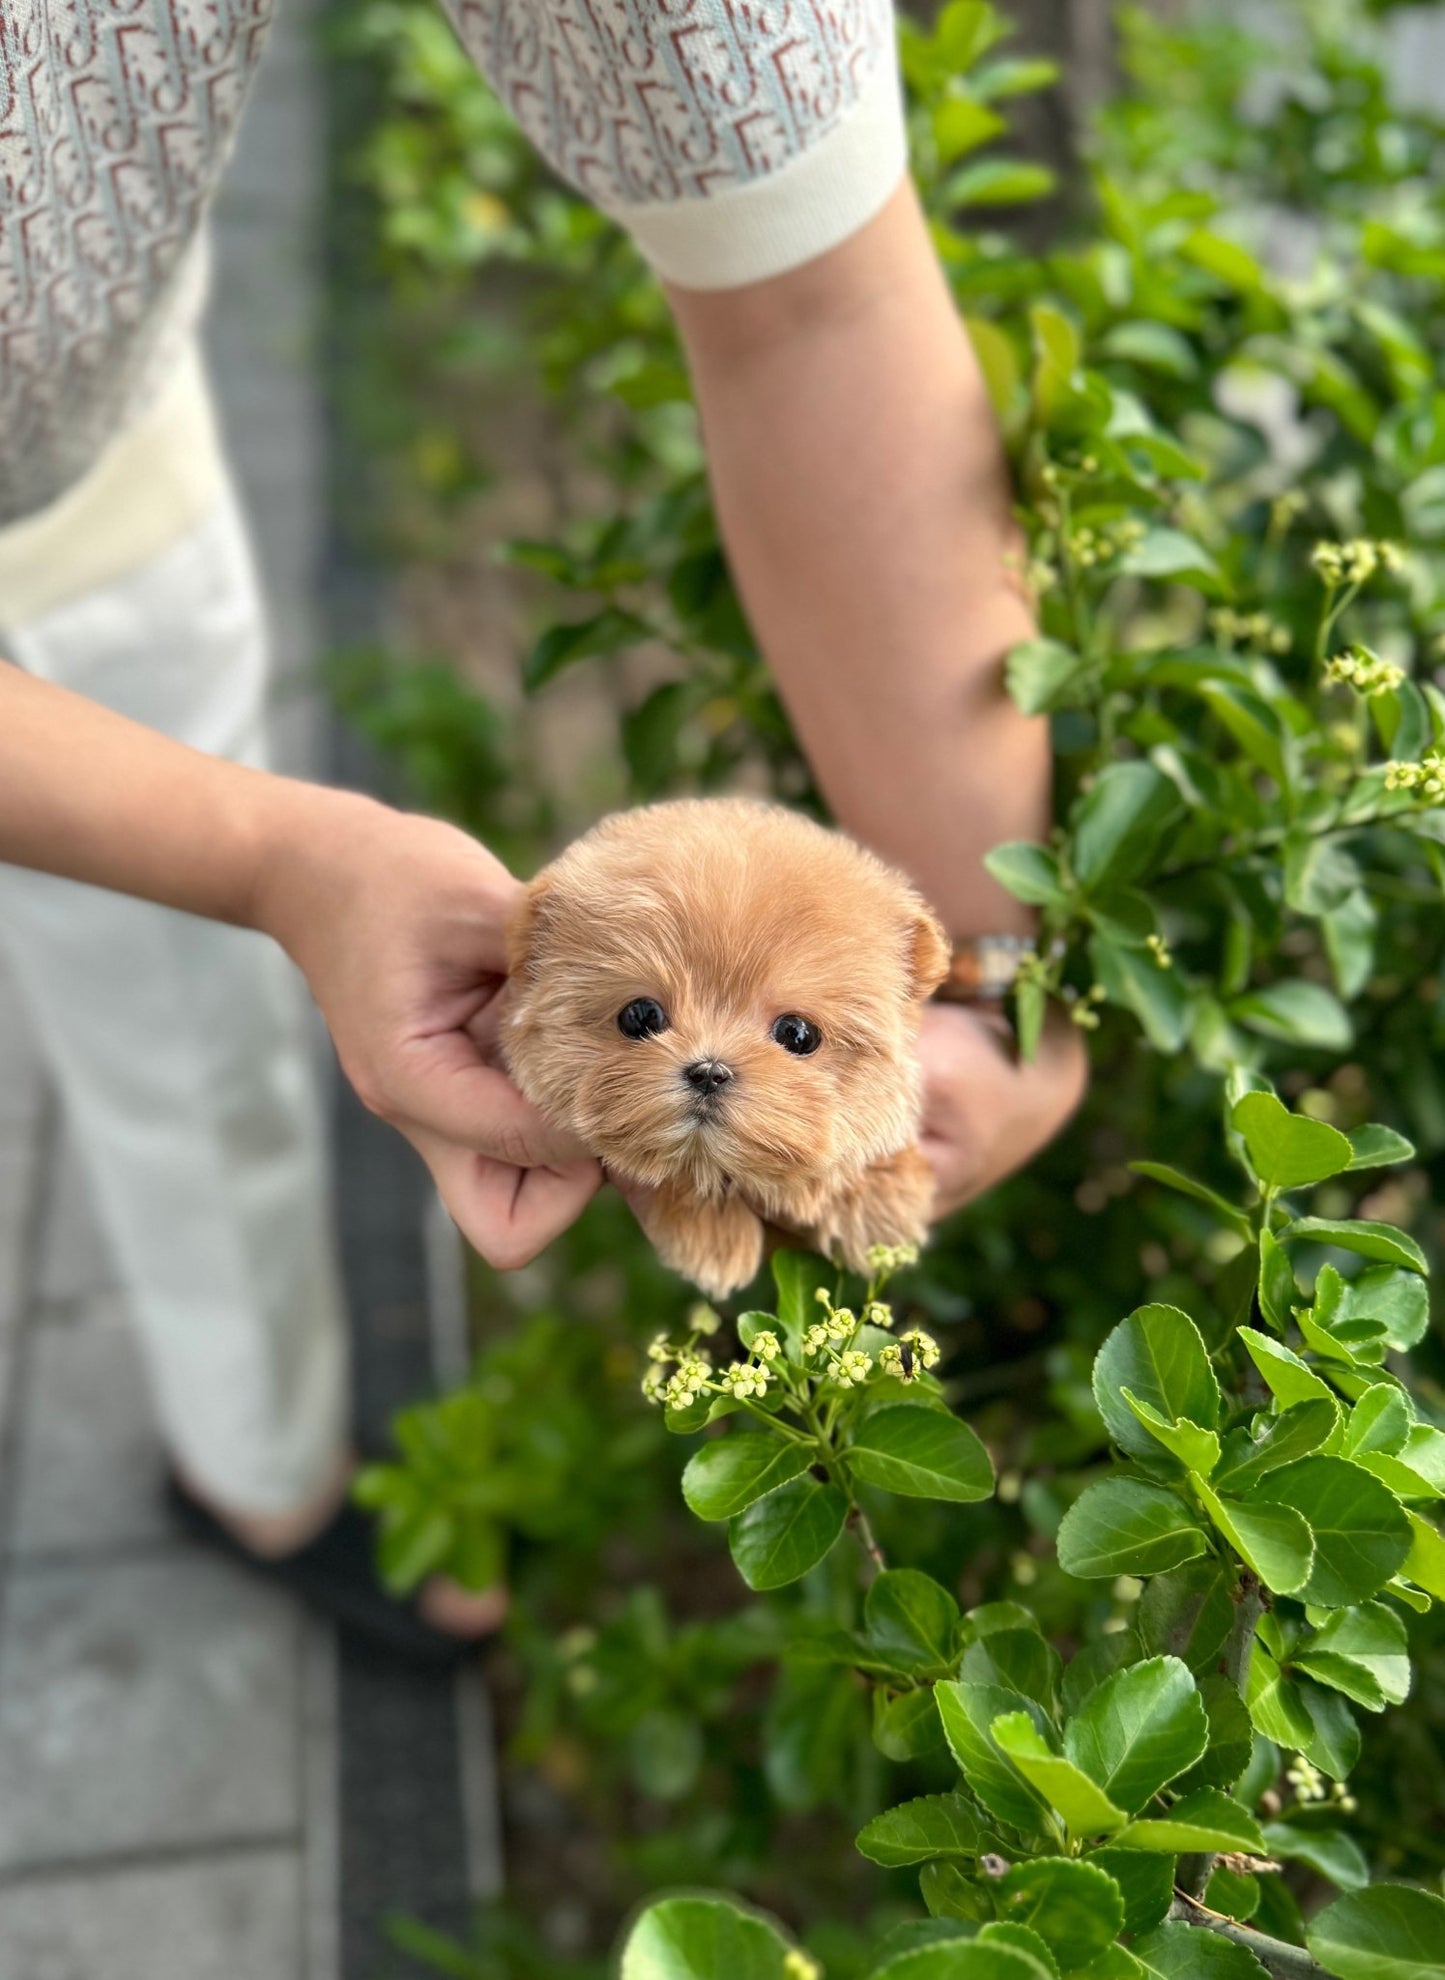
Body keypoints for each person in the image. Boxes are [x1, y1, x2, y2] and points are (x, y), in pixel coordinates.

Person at [0, 0, 1086, 1655]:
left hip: (82, 438)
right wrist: (266, 857)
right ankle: (262, 1470)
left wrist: (988, 964)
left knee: (165, 997)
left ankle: (252, 1461)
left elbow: (809, 285)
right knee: (165, 948)